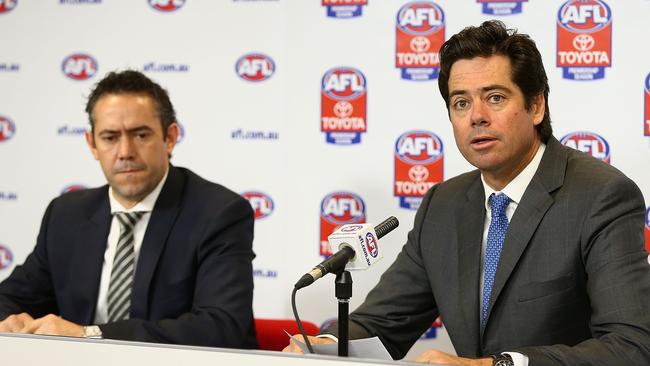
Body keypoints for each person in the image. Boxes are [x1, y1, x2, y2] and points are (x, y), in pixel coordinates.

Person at [284, 20, 650, 365]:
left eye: (494, 98)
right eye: (461, 102)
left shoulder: (601, 196)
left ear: (536, 106)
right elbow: (384, 322)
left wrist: (496, 365)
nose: (476, 116)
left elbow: (632, 346)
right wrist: (326, 346)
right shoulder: (443, 205)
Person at [0, 70, 258, 349]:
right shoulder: (66, 215)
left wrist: (89, 334)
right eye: (110, 137)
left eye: (141, 135)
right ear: (92, 144)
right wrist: (13, 323)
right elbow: (10, 298)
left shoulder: (218, 213)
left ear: (170, 137)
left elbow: (222, 327)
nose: (125, 151)